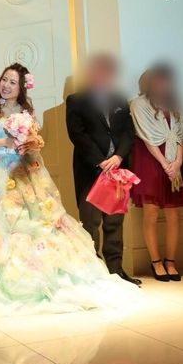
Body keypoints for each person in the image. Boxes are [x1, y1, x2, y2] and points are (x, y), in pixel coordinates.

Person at [0, 64, 140, 318]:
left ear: (21, 88)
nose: (6, 85)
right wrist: (6, 142)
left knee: (41, 224)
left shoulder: (26, 111)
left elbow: (35, 143)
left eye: (12, 82)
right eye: (4, 80)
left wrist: (30, 144)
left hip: (24, 171)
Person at [65, 54, 141, 286]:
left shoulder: (120, 99)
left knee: (114, 223)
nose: (101, 75)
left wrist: (118, 157)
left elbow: (128, 132)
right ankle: (93, 275)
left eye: (105, 71)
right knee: (90, 223)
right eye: (96, 71)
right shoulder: (76, 100)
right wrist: (100, 161)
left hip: (118, 171)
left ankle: (116, 271)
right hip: (91, 171)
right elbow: (77, 134)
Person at [130, 64, 183, 281]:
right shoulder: (138, 104)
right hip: (150, 160)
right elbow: (146, 136)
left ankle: (171, 261)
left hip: (174, 163)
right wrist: (164, 163)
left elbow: (181, 135)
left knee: (173, 214)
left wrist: (178, 162)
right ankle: (156, 262)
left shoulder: (175, 104)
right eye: (158, 80)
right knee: (151, 213)